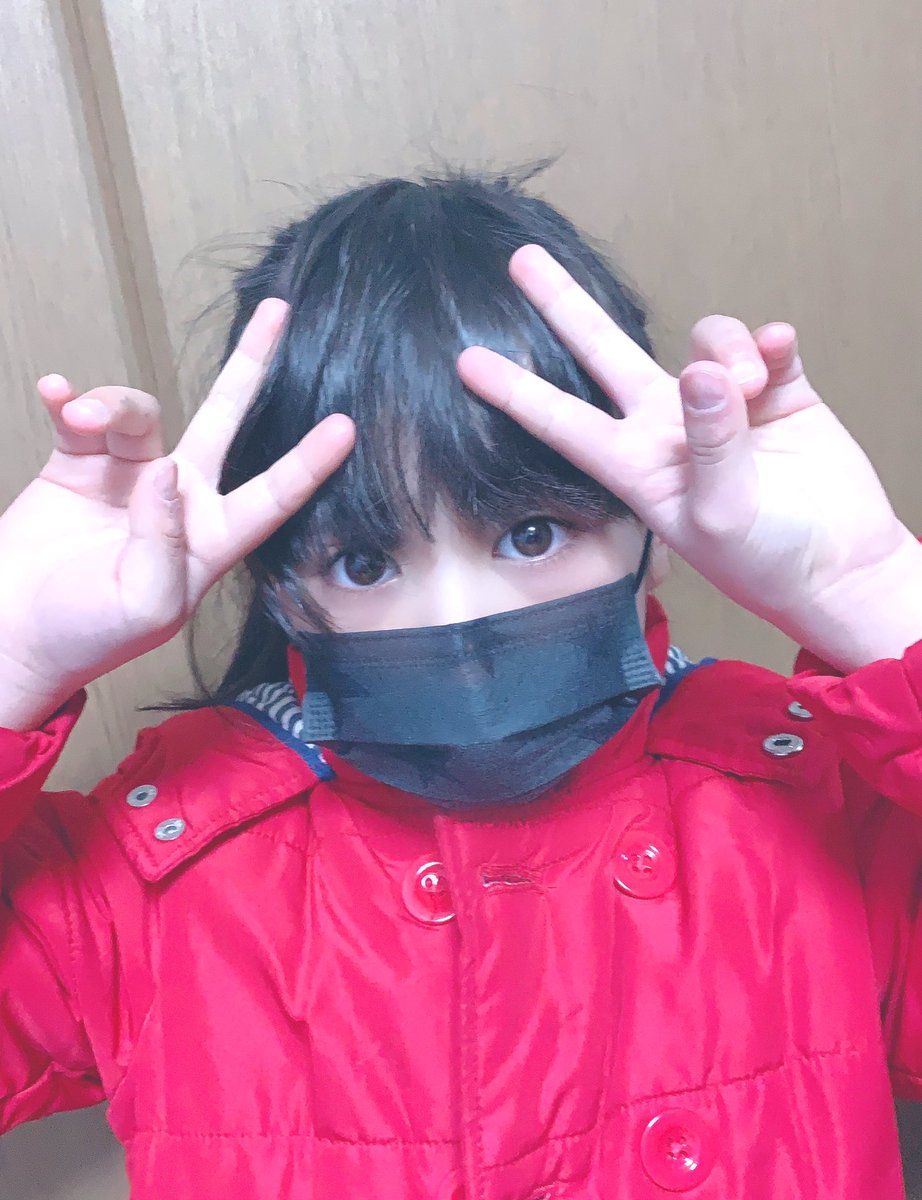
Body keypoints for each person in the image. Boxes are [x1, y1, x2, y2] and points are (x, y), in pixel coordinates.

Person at [1, 169, 921, 1200]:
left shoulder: (822, 810)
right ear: (279, 587)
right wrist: (11, 653)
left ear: (656, 533)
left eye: (531, 534)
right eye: (364, 562)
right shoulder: (147, 878)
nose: (454, 623)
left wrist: (876, 589)